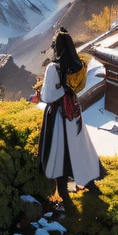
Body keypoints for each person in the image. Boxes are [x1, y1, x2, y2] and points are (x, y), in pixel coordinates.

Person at [37, 28, 103, 207]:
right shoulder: (77, 65)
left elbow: (47, 97)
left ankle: (64, 193)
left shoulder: (53, 67)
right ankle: (89, 183)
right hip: (73, 111)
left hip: (58, 115)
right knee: (78, 147)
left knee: (60, 152)